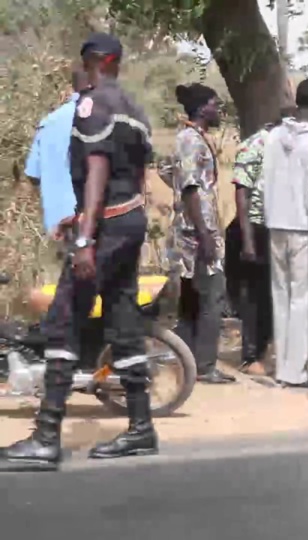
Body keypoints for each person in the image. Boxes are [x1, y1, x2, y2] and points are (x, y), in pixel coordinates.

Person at [0, 33, 157, 470]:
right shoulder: (135, 110)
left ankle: (46, 436)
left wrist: (86, 237)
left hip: (105, 227)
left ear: (93, 62)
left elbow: (96, 172)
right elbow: (137, 178)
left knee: (65, 316)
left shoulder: (91, 106)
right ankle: (141, 428)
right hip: (130, 223)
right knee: (123, 320)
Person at [169, 83, 235, 385]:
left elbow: (169, 173)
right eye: (214, 103)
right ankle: (205, 366)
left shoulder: (191, 139)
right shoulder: (189, 141)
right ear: (201, 108)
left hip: (193, 230)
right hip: (197, 234)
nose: (218, 108)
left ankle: (186, 363)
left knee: (193, 298)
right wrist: (205, 235)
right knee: (211, 295)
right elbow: (191, 188)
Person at [262, 79, 308, 388]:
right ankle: (296, 370)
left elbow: (265, 181)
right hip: (305, 227)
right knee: (303, 298)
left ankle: (281, 368)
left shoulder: (273, 136)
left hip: (275, 224)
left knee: (280, 296)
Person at [225, 119, 277, 377]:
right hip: (252, 228)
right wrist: (247, 240)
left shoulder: (281, 143)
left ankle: (262, 350)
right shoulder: (254, 145)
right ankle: (250, 356)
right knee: (253, 297)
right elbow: (241, 192)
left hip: (271, 228)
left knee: (268, 294)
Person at [25, 67, 89, 238]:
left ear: (72, 87)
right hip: (92, 218)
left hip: (58, 223)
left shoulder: (48, 123)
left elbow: (33, 174)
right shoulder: (103, 120)